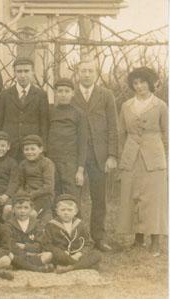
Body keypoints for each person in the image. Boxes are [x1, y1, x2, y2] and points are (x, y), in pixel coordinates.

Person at [117, 67, 167, 256]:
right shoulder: (126, 105)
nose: (139, 86)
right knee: (132, 195)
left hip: (153, 156)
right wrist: (123, 154)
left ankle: (155, 240)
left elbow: (166, 133)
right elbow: (121, 132)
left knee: (154, 198)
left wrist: (164, 154)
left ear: (150, 83)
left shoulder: (160, 105)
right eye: (135, 83)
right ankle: (138, 239)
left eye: (143, 82)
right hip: (131, 156)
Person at [72, 59, 118, 252]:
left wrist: (112, 155)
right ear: (78, 73)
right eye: (83, 71)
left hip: (100, 155)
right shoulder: (70, 93)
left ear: (96, 73)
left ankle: (98, 237)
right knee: (75, 198)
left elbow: (113, 127)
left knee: (99, 198)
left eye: (90, 71)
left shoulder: (106, 95)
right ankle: (78, 237)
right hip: (76, 155)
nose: (87, 74)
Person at [0, 57, 49, 161]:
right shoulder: (5, 95)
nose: (23, 75)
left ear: (33, 72)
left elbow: (44, 124)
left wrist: (43, 147)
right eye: (19, 71)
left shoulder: (41, 95)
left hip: (31, 147)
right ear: (14, 73)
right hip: (10, 146)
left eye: (26, 71)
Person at [47, 78, 88, 204]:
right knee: (54, 196)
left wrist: (80, 170)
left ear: (72, 93)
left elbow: (83, 143)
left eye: (66, 91)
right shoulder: (50, 111)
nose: (63, 94)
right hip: (52, 160)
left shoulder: (78, 113)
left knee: (72, 197)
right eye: (60, 91)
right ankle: (55, 223)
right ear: (56, 93)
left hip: (71, 163)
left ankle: (76, 223)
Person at [43, 194, 101, 274]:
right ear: (57, 211)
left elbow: (89, 243)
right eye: (63, 210)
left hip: (76, 255)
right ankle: (80, 266)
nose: (66, 213)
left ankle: (70, 268)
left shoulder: (80, 224)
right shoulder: (51, 225)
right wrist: (60, 252)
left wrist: (80, 253)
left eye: (70, 210)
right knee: (53, 255)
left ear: (76, 212)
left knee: (96, 254)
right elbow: (47, 244)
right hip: (61, 256)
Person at [7, 192, 53, 272]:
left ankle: (20, 265)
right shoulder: (9, 224)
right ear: (13, 209)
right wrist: (25, 254)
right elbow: (10, 244)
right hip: (18, 255)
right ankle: (35, 268)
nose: (22, 211)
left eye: (26, 208)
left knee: (48, 255)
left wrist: (25, 246)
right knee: (8, 256)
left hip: (33, 255)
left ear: (31, 209)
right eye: (19, 208)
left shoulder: (36, 223)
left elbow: (40, 244)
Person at [17, 135, 55, 224]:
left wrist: (31, 195)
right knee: (14, 211)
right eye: (26, 149)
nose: (29, 152)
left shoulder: (46, 163)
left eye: (33, 149)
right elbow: (21, 183)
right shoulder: (23, 164)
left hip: (44, 196)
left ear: (40, 149)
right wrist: (21, 194)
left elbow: (48, 187)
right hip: (27, 195)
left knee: (31, 214)